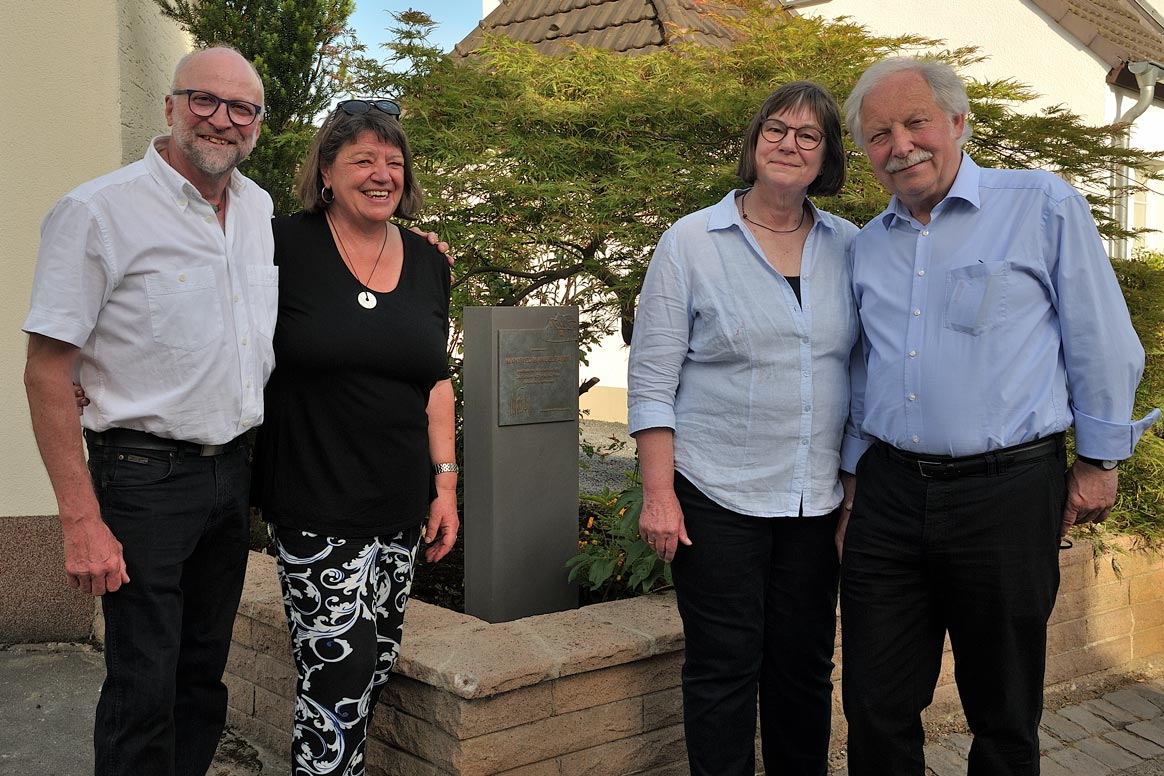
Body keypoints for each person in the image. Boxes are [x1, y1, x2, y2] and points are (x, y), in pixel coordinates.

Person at [838, 56, 1160, 776]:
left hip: (1006, 492)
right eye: (879, 134)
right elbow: (867, 370)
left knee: (1004, 707)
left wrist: (1100, 460)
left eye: (915, 122)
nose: (900, 145)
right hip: (888, 494)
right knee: (875, 701)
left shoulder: (1040, 205)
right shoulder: (869, 245)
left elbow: (1101, 340)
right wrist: (855, 479)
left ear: (957, 122)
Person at [23, 47, 274, 776]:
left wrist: (414, 252)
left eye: (241, 109)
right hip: (141, 480)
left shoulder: (257, 211)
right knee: (143, 687)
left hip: (232, 475)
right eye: (204, 100)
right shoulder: (98, 211)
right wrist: (80, 522)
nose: (221, 120)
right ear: (170, 106)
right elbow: (46, 373)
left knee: (202, 679)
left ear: (256, 124)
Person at [628, 81, 858, 776]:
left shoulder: (850, 246)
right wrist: (658, 494)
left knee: (804, 671)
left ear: (826, 156)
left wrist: (851, 492)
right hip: (715, 495)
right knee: (724, 670)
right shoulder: (693, 241)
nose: (790, 144)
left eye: (808, 135)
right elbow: (651, 378)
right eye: (776, 130)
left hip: (813, 501)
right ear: (754, 144)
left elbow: (867, 374)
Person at [248, 97, 459, 774]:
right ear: (327, 172)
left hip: (398, 506)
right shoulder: (280, 245)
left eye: (393, 162)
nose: (381, 174)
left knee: (376, 667)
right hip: (315, 500)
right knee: (338, 675)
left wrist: (445, 486)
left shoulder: (431, 262)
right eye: (362, 159)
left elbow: (434, 380)